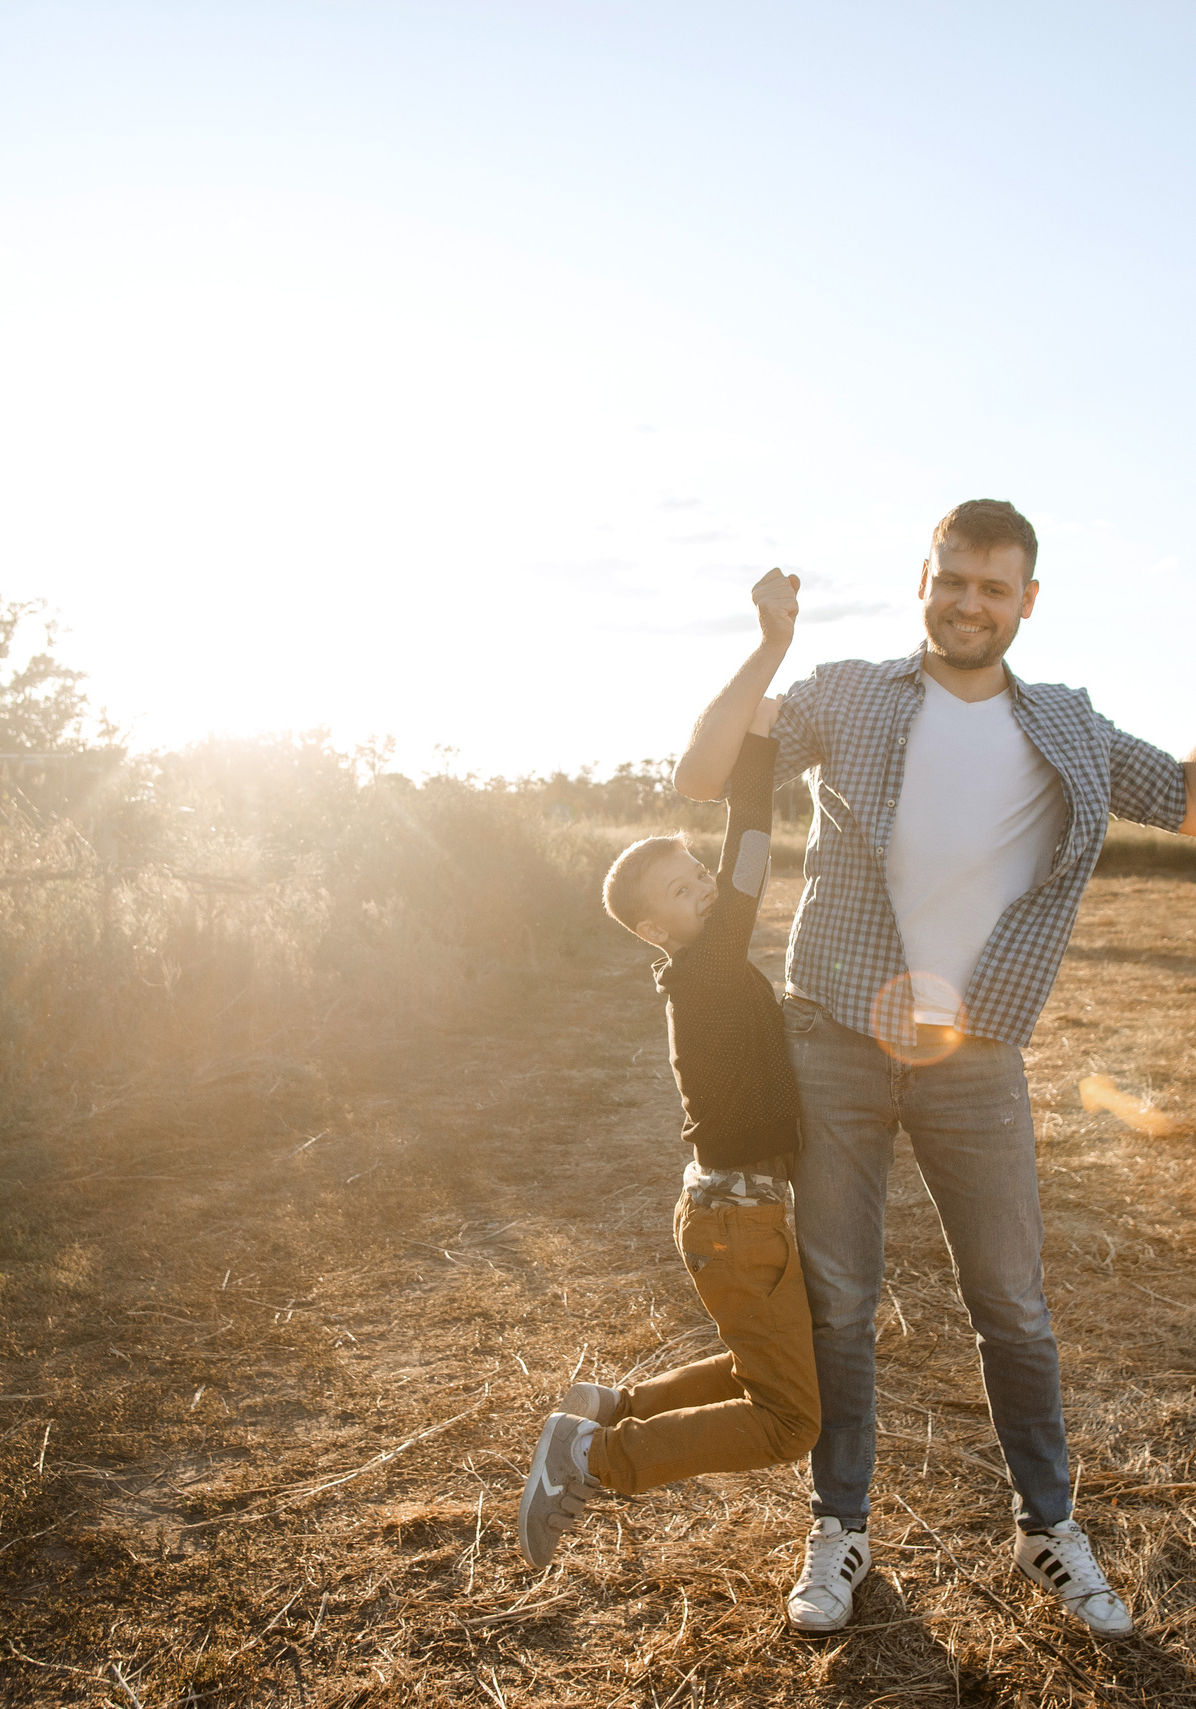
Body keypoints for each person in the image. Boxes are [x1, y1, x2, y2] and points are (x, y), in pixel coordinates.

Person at [670, 499, 1196, 1639]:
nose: (971, 603)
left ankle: (1047, 1526)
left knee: (1011, 1303)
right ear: (923, 581)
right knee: (839, 1299)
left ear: (1028, 599)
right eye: (953, 580)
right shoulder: (845, 694)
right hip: (832, 1038)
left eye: (994, 586)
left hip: (975, 1055)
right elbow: (700, 770)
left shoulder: (1065, 723)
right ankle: (839, 1525)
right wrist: (768, 644)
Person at [515, 572, 820, 1569]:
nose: (706, 891)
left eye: (696, 875)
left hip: (738, 1212)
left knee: (768, 1363)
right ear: (655, 930)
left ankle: (610, 1405)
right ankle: (594, 1455)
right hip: (738, 1220)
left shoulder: (703, 967)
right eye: (685, 892)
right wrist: (761, 740)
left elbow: (734, 864)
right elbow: (751, 848)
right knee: (788, 1417)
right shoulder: (705, 964)